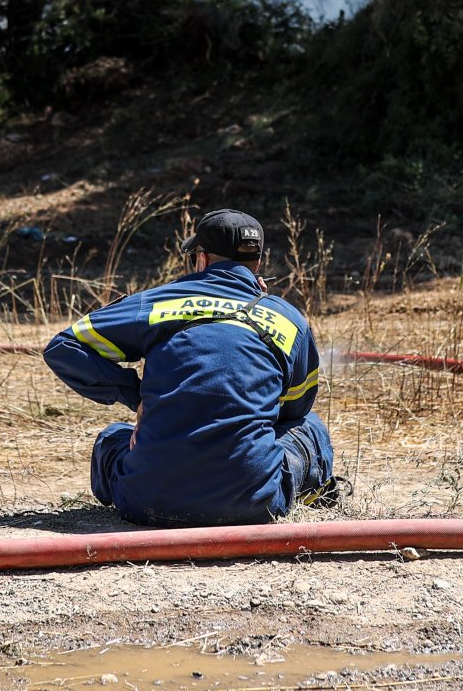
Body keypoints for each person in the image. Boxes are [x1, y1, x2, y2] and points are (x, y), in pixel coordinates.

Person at [43, 208, 338, 527]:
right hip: (256, 502)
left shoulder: (158, 303)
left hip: (146, 502)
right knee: (311, 427)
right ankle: (310, 494)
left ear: (201, 258)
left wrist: (135, 396)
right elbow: (295, 410)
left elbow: (64, 347)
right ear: (258, 264)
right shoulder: (288, 318)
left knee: (112, 438)